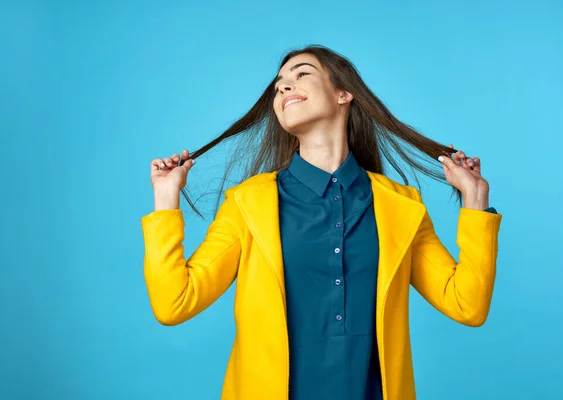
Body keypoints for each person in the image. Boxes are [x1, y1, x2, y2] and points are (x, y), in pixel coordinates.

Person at [140, 45, 502, 400]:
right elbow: (174, 303)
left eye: (301, 74)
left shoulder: (401, 206)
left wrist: (475, 200)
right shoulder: (247, 204)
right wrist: (166, 197)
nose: (283, 86)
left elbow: (467, 305)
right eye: (279, 82)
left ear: (344, 93)